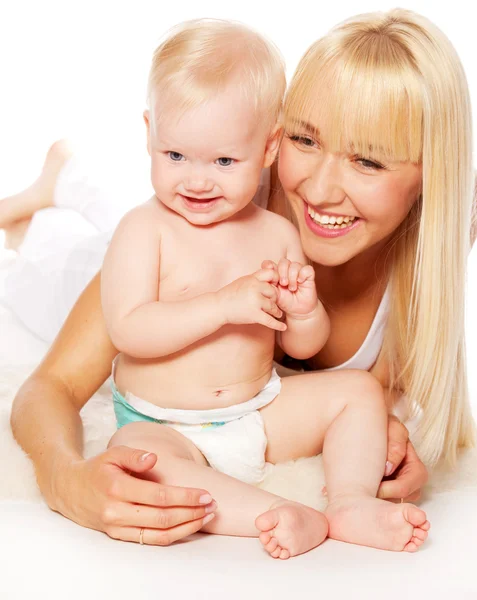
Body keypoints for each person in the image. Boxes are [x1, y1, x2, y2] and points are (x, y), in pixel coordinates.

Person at [7, 8, 474, 547]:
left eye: (368, 162)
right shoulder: (207, 201)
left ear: (432, 177)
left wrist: (385, 435)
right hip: (120, 287)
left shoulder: (435, 229)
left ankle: (70, 176)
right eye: (306, 139)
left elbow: (380, 381)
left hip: (245, 407)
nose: (320, 191)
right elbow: (54, 384)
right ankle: (53, 186)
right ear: (279, 142)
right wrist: (65, 481)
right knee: (47, 262)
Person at [98, 19, 430, 558]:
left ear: (269, 148)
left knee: (358, 392)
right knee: (139, 462)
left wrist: (303, 312)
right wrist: (222, 305)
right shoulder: (145, 230)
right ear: (149, 133)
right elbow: (130, 329)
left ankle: (348, 501)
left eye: (224, 161)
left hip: (259, 411)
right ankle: (269, 514)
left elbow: (302, 350)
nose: (197, 180)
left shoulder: (276, 232)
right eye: (175, 155)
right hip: (165, 423)